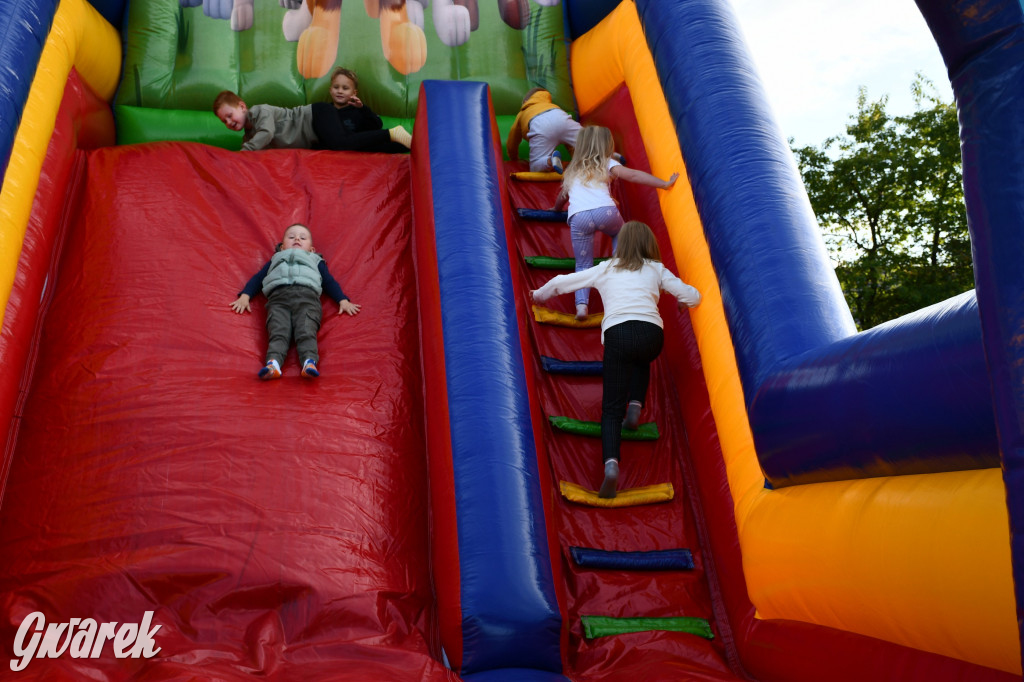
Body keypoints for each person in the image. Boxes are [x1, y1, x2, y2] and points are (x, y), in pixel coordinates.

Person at [531, 221, 701, 498]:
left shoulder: (606, 268)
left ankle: (611, 465)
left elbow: (564, 283)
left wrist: (538, 294)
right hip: (651, 335)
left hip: (618, 334)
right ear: (649, 245)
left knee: (611, 409)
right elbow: (693, 296)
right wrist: (682, 301)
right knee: (641, 356)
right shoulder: (656, 269)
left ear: (620, 245)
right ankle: (636, 405)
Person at [552, 125, 679, 320]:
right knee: (619, 236)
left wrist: (555, 209)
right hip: (607, 212)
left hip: (579, 218)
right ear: (606, 146)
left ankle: (581, 307)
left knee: (583, 264)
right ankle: (619, 266)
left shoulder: (573, 168)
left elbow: (563, 195)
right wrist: (663, 183)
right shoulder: (607, 162)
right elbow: (633, 175)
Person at [231, 224, 361, 380]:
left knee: (306, 330)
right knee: (278, 332)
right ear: (282, 247)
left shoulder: (315, 259)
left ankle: (309, 362)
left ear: (311, 249)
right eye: (291, 237)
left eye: (303, 237)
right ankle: (273, 364)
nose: (297, 239)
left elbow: (328, 281)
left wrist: (342, 300)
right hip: (278, 300)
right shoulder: (275, 259)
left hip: (307, 299)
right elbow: (258, 278)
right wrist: (245, 295)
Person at [310, 67, 412, 153]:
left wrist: (363, 109)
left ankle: (413, 142)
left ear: (354, 93)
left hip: (357, 147)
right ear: (330, 90)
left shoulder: (357, 111)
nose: (340, 91)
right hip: (336, 148)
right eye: (336, 87)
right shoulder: (325, 112)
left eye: (345, 88)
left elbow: (376, 125)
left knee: (395, 146)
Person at [506, 87, 582, 173]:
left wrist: (514, 158)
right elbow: (570, 144)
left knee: (536, 167)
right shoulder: (552, 105)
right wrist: (575, 158)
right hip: (561, 116)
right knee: (588, 144)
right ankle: (586, 160)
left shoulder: (522, 112)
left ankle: (549, 161)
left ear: (525, 102)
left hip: (540, 124)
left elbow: (513, 139)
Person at [214, 90, 318, 152]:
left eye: (229, 116)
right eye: (224, 121)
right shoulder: (249, 138)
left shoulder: (261, 111)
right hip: (312, 142)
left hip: (313, 118)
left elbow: (267, 132)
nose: (228, 122)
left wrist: (244, 151)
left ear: (242, 107)